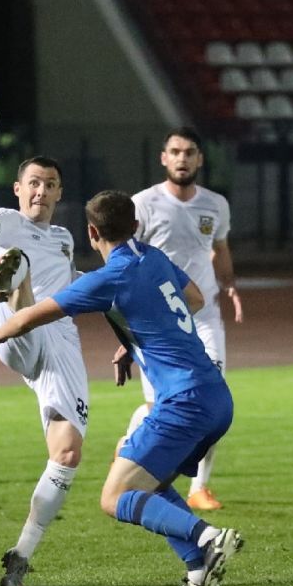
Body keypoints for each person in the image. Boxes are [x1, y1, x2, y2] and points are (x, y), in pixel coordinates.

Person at [0, 190, 244, 586]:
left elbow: (32, 316)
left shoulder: (108, 279)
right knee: (145, 476)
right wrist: (136, 339)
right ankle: (199, 574)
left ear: (92, 233)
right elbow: (195, 299)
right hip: (215, 396)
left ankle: (208, 537)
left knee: (115, 497)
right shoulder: (153, 256)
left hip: (183, 402)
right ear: (136, 226)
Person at [0, 156, 89, 586]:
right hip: (15, 329)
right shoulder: (6, 222)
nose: (41, 191)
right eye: (33, 183)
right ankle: (12, 283)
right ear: (18, 189)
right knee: (17, 263)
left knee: (67, 453)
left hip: (60, 340)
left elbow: (73, 281)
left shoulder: (64, 238)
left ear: (59, 193)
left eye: (50, 184)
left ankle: (21, 555)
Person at [122, 127, 243, 511]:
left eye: (189, 152)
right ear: (164, 158)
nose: (182, 158)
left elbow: (219, 247)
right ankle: (130, 445)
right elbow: (128, 258)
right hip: (157, 323)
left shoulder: (216, 204)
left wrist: (230, 285)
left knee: (212, 399)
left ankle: (199, 488)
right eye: (175, 151)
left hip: (204, 317)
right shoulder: (143, 204)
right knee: (161, 406)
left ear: (199, 159)